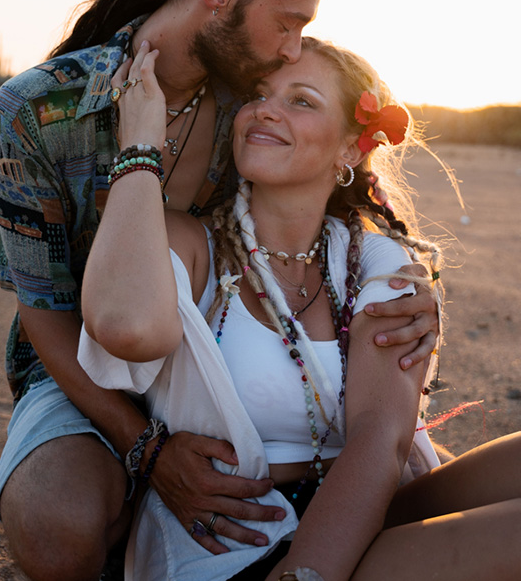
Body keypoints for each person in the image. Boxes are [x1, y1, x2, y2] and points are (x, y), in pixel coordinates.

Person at [0, 0, 440, 581]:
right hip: (89, 366)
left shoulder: (248, 106)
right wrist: (147, 450)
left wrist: (412, 285)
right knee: (57, 526)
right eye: (287, 24)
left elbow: (328, 202)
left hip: (229, 363)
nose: (293, 47)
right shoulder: (36, 113)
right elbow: (43, 312)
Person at [79, 37, 521, 581]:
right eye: (259, 94)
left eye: (302, 101)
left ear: (350, 150)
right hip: (237, 542)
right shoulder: (190, 245)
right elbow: (121, 324)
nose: (266, 108)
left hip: (365, 509)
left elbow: (380, 436)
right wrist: (139, 145)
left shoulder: (373, 256)